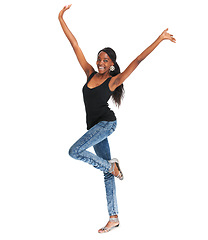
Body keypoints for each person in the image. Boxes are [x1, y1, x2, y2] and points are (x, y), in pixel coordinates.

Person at [58, 4, 176, 234]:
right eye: (99, 58)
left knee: (74, 151)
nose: (100, 62)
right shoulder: (89, 73)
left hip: (106, 124)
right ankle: (114, 217)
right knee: (105, 171)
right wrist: (60, 18)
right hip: (94, 127)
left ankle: (111, 167)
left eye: (105, 60)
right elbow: (74, 44)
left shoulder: (112, 81)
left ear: (111, 64)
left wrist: (159, 39)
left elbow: (138, 61)